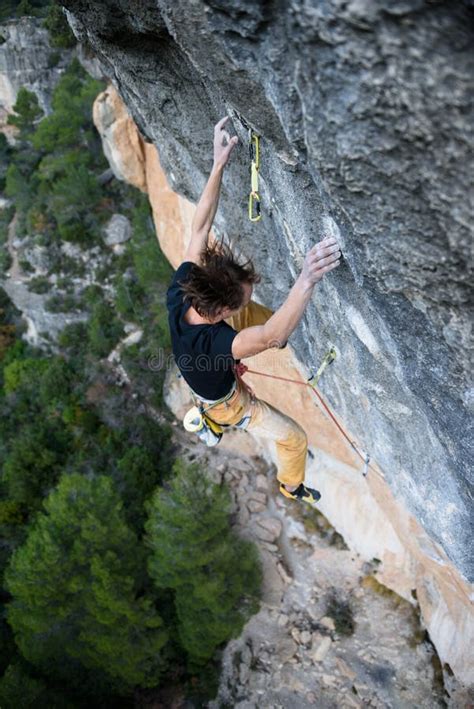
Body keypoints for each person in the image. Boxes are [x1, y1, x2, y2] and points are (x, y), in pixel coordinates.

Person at [166, 116, 341, 505]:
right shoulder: (216, 344)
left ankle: (210, 407)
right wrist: (307, 278)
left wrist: (218, 164)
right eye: (243, 301)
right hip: (230, 404)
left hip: (205, 367)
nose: (249, 299)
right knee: (294, 438)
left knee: (265, 330)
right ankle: (291, 486)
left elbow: (199, 228)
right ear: (221, 312)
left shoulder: (182, 290)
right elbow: (273, 337)